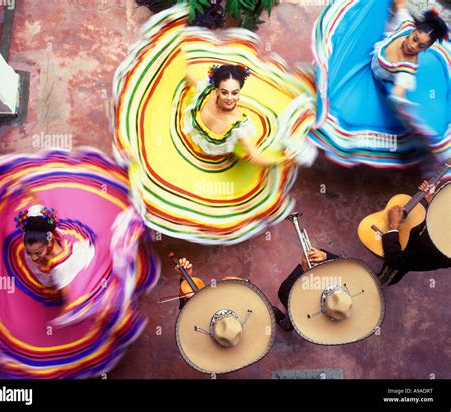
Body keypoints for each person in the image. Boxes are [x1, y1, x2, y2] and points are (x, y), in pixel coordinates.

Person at [113, 4, 318, 245]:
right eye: (227, 93)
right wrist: (283, 158)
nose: (231, 98)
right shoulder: (230, 115)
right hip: (206, 145)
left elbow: (189, 74)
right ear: (218, 90)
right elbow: (253, 156)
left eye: (234, 93)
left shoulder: (213, 99)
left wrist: (176, 51)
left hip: (200, 136)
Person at [0, 148, 160, 378]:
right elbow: (28, 201)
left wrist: (75, 309)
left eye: (37, 253)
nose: (32, 258)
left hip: (72, 274)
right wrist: (12, 192)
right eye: (30, 252)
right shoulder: (38, 222)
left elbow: (73, 298)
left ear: (51, 239)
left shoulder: (64, 271)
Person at [309, 0, 450, 177]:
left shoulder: (407, 69)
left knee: (342, 110)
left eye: (421, 46)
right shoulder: (404, 24)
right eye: (415, 39)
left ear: (426, 49)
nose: (414, 46)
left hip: (374, 88)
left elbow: (399, 92)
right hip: (364, 60)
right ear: (413, 30)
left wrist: (408, 110)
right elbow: (399, 5)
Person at [378, 180, 451, 286]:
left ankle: (381, 282)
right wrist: (432, 200)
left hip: (418, 252)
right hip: (419, 237)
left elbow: (395, 261)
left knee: (392, 271)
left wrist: (393, 226)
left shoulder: (438, 252)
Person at [272, 247, 340, 331]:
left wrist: (306, 271)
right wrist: (325, 256)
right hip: (325, 281)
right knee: (286, 290)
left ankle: (289, 324)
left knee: (286, 294)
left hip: (314, 307)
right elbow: (345, 268)